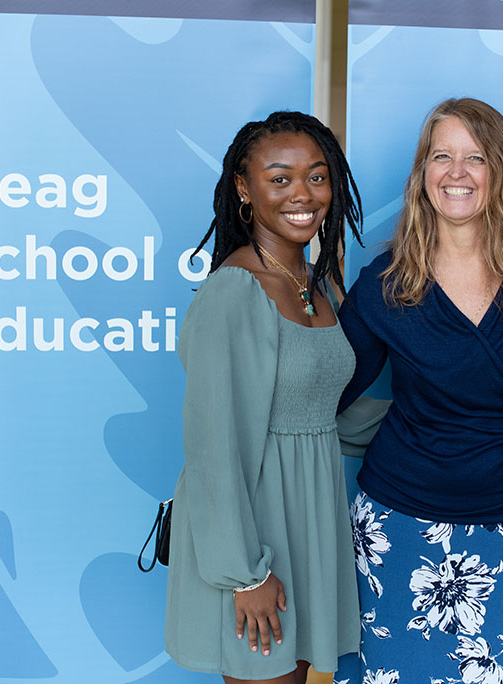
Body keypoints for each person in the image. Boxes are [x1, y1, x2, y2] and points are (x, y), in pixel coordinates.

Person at [337, 98, 503, 683]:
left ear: (501, 172)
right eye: (441, 156)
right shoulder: (384, 284)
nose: (456, 172)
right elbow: (329, 394)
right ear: (422, 174)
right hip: (398, 529)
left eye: (475, 158)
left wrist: (498, 409)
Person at [165, 111, 380, 684]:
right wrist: (246, 574)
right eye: (279, 178)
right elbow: (213, 446)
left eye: (317, 176)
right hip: (254, 530)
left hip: (314, 515)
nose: (302, 195)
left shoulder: (321, 285)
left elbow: (332, 410)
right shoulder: (234, 292)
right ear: (244, 187)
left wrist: (448, 417)